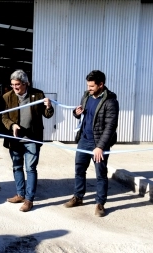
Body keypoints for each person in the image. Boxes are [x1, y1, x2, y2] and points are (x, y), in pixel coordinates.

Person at [63, 70, 119, 217]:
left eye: (92, 86)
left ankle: (100, 203)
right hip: (84, 140)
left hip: (99, 143)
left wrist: (100, 147)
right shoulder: (86, 96)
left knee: (101, 174)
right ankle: (78, 197)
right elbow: (81, 116)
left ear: (101, 85)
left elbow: (110, 127)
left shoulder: (111, 101)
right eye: (88, 85)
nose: (89, 88)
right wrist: (76, 112)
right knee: (79, 170)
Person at [2, 69, 54, 212]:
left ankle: (29, 199)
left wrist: (49, 107)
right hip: (15, 139)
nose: (14, 88)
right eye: (12, 85)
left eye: (17, 85)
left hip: (32, 139)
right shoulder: (7, 97)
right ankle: (20, 194)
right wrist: (12, 125)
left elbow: (47, 114)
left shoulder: (38, 94)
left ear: (26, 83)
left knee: (30, 168)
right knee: (17, 167)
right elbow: (4, 117)